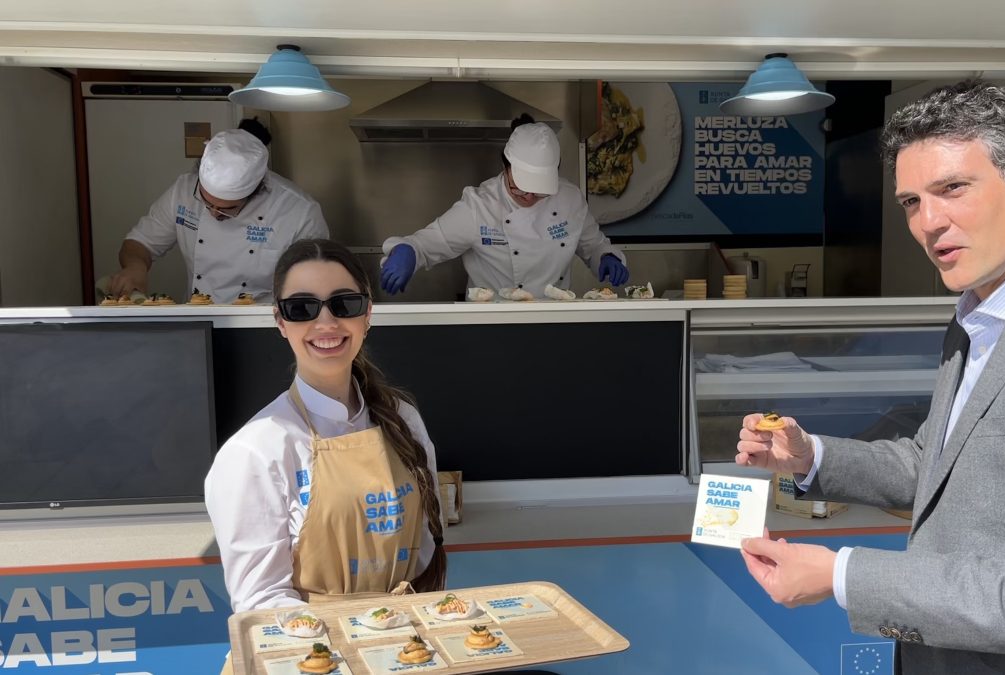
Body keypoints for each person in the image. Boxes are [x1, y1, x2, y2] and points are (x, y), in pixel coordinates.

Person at [735, 80, 1005, 673]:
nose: (928, 223)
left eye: (952, 189)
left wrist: (841, 575)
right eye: (911, 203)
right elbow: (937, 466)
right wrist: (809, 458)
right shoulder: (978, 311)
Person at [205, 238, 446, 617]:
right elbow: (260, 604)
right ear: (280, 322)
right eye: (302, 308)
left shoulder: (404, 419)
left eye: (344, 303)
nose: (326, 322)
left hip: (406, 643)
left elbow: (424, 547)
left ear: (367, 314)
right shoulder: (255, 452)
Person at [379, 114, 629, 297]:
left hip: (553, 318)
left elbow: (593, 246)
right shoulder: (479, 207)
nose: (529, 198)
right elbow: (425, 244)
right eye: (518, 188)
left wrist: (605, 257)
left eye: (539, 192)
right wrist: (407, 251)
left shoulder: (570, 200)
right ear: (505, 168)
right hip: (491, 322)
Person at [108, 129, 328, 304]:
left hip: (266, 323)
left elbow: (316, 283)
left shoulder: (299, 212)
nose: (213, 213)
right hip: (199, 317)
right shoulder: (183, 191)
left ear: (258, 190)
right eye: (206, 202)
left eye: (226, 209)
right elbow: (140, 243)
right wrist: (135, 267)